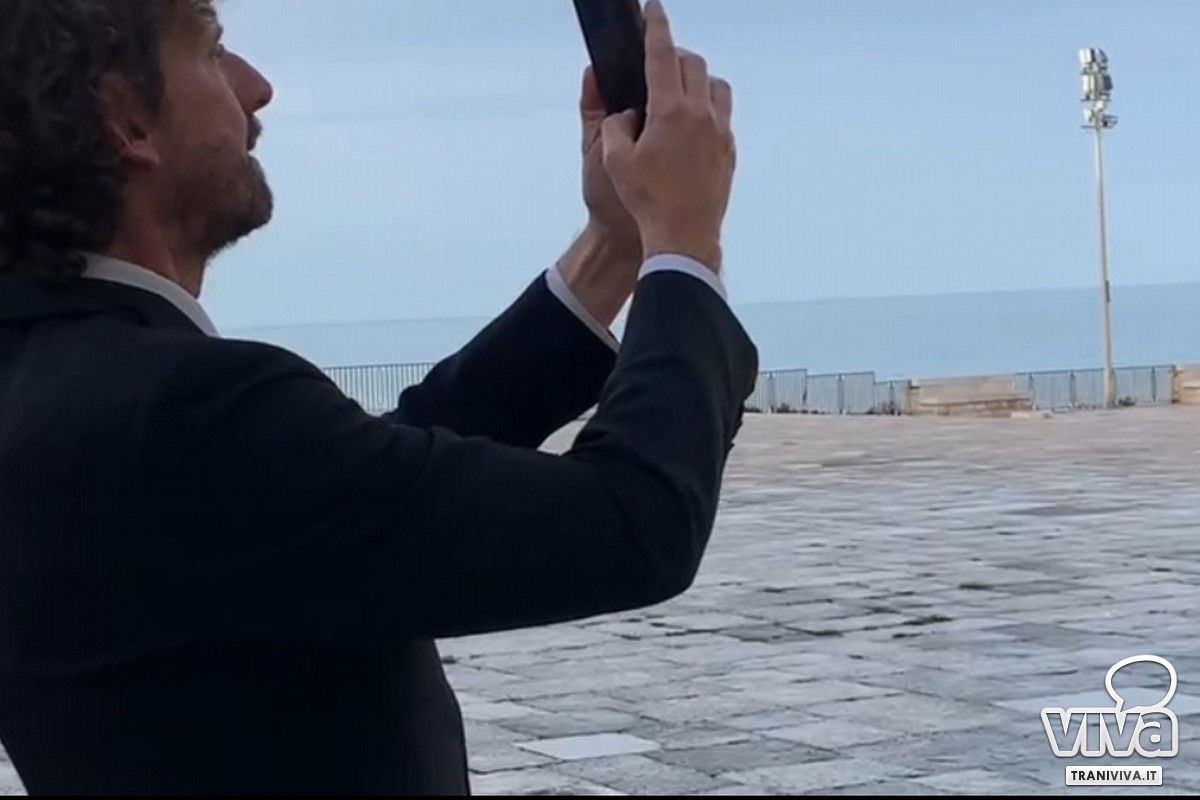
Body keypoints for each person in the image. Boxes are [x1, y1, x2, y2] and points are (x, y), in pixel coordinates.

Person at [0, 0, 756, 794]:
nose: (256, 88)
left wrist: (614, 245)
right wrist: (683, 240)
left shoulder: (60, 389)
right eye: (214, 54)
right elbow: (632, 519)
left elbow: (353, 487)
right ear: (127, 119)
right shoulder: (186, 413)